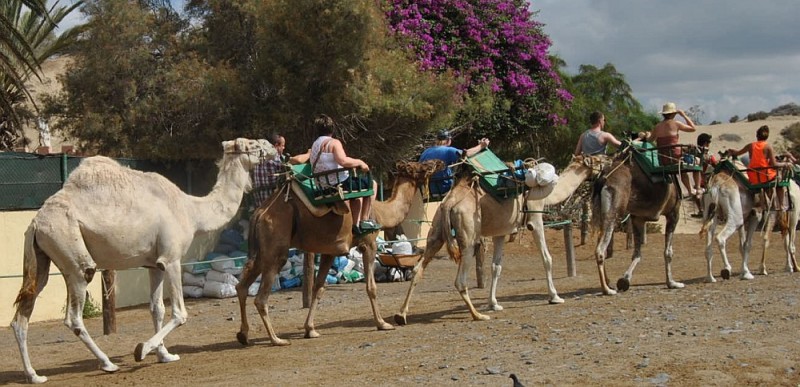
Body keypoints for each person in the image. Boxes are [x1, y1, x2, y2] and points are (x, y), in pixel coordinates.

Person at [309, 114, 380, 233]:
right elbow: (343, 160)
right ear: (332, 129)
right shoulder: (333, 143)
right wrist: (360, 162)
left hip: (322, 186)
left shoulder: (315, 145)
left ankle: (355, 225)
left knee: (357, 196)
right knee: (372, 184)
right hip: (338, 184)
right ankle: (364, 220)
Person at [727, 125, 792, 214]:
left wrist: (732, 151)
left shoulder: (750, 145)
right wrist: (785, 164)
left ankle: (767, 204)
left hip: (753, 177)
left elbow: (738, 153)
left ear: (757, 136)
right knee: (779, 182)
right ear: (767, 136)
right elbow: (774, 165)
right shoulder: (768, 147)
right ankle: (781, 205)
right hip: (765, 176)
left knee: (767, 181)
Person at [418, 129, 490, 198]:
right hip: (445, 188)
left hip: (429, 190)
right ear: (448, 140)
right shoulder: (448, 151)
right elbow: (467, 153)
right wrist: (481, 146)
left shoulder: (425, 152)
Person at [648, 102, 697, 198]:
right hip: (675, 157)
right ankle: (691, 189)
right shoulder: (676, 124)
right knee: (695, 162)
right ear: (674, 114)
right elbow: (693, 128)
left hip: (662, 159)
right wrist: (683, 115)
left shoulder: (657, 127)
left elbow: (650, 140)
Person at [252, 133, 289, 207]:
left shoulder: (256, 158)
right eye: (282, 145)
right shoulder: (273, 158)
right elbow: (295, 161)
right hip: (273, 204)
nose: (284, 148)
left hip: (259, 204)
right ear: (276, 146)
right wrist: (308, 154)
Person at [690, 133, 718, 218]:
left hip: (698, 180)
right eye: (709, 142)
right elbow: (715, 164)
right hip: (706, 181)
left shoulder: (693, 151)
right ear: (706, 143)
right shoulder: (708, 154)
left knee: (695, 192)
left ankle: (700, 210)